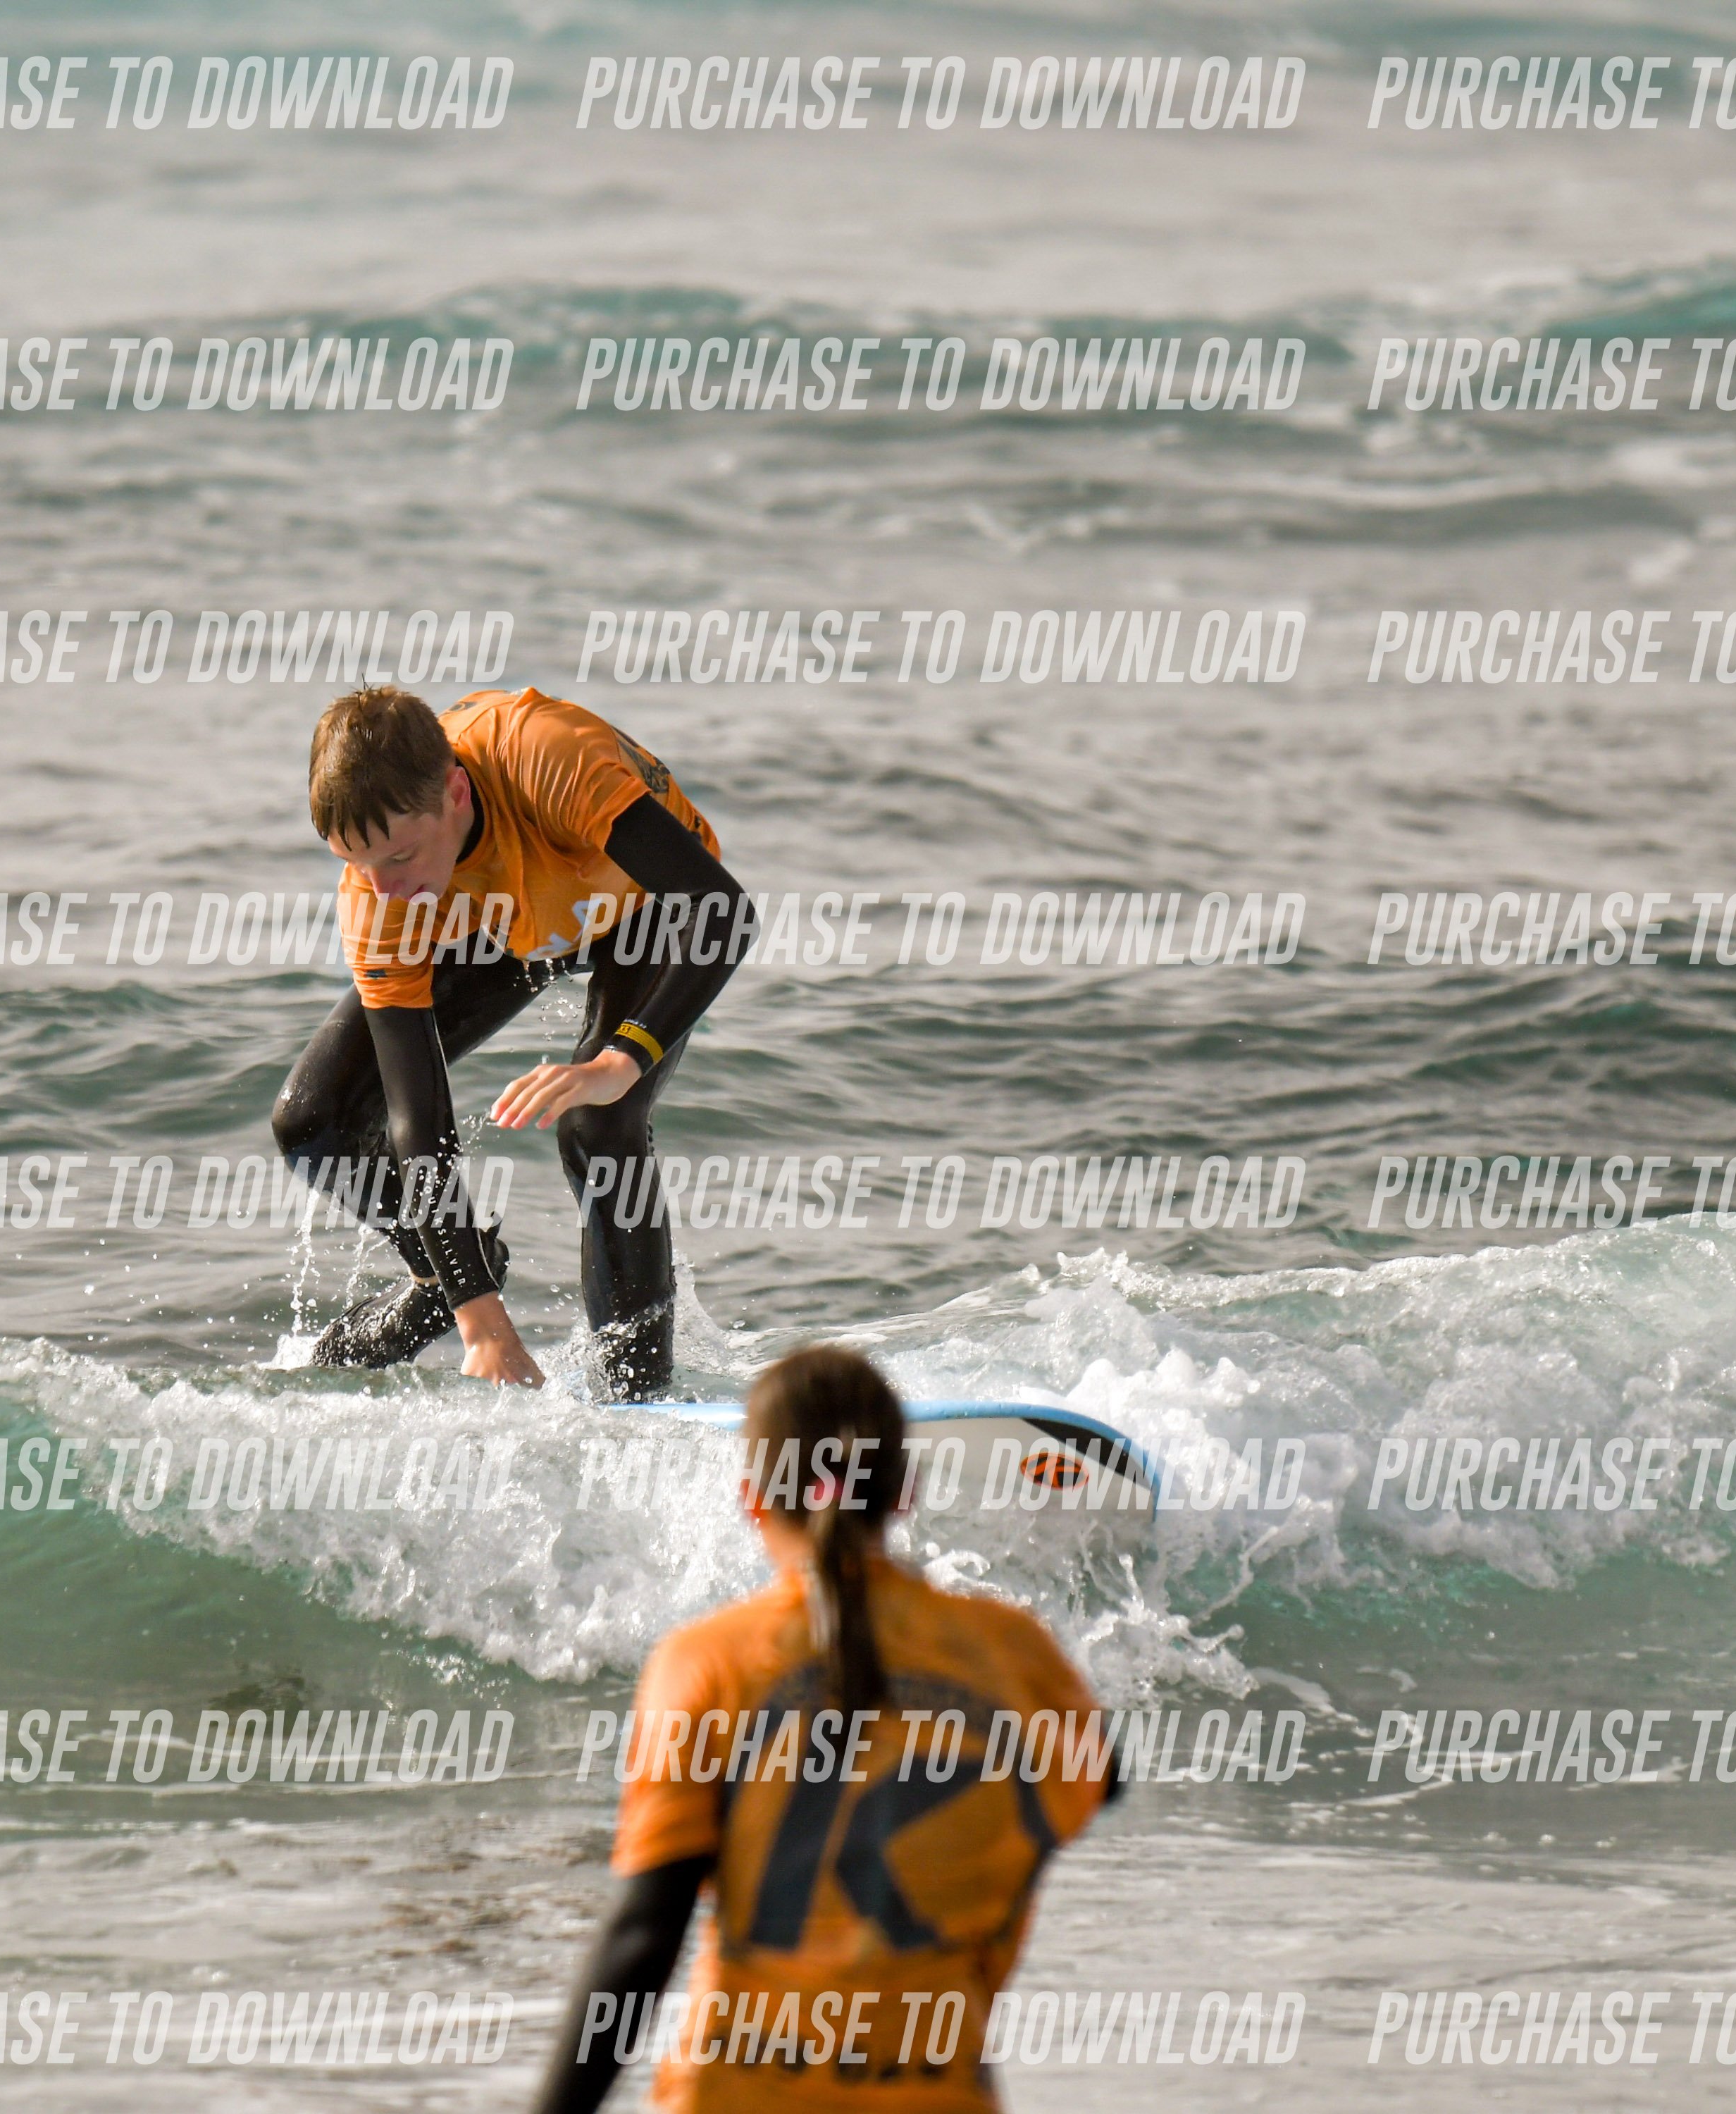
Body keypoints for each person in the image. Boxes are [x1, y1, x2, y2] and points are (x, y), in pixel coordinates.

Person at [533, 1345, 1115, 2111]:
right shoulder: (1011, 1651)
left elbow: (645, 1934)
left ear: (752, 1500)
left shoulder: (707, 1662)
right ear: (905, 1492)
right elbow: (1100, 1779)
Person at [273, 682, 748, 1400]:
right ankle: (447, 1281)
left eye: (399, 856)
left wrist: (621, 1061)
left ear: (456, 794)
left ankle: (637, 1394)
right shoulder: (381, 891)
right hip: (507, 920)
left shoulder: (545, 758)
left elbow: (722, 910)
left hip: (646, 905)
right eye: (355, 862)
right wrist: (480, 1318)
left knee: (597, 1122)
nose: (381, 887)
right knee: (314, 1120)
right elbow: (416, 1119)